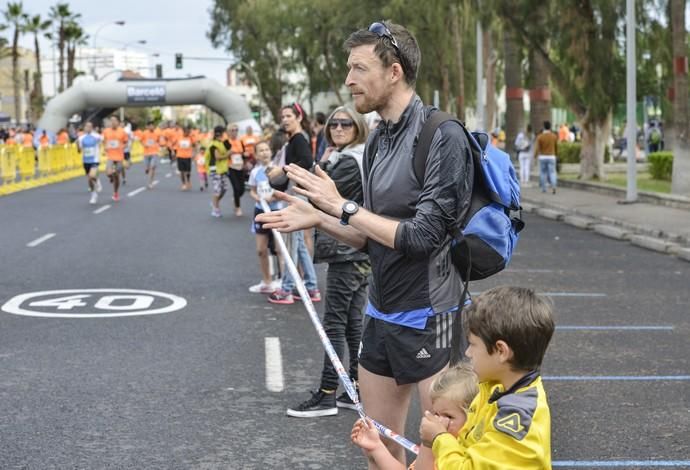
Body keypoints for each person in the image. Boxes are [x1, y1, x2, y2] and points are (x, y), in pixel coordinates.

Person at [257, 21, 473, 468]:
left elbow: (422, 237)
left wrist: (343, 206)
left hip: (431, 314)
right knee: (377, 446)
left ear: (394, 72)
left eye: (359, 68)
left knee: (443, 453)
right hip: (381, 310)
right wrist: (319, 216)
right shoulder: (377, 139)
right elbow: (369, 237)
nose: (348, 80)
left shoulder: (442, 135)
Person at [286, 106, 370, 418]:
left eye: (345, 123)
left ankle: (326, 394)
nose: (337, 128)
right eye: (333, 123)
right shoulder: (350, 156)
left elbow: (317, 196)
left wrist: (299, 175)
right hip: (356, 251)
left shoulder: (349, 160)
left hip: (348, 252)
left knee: (335, 324)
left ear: (358, 127)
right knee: (351, 323)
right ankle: (356, 389)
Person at [420, 286, 555, 469]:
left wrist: (439, 439)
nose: (468, 352)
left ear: (501, 351)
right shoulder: (496, 386)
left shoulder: (515, 418)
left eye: (473, 345)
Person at [352, 363, 478, 470]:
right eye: (436, 414)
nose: (439, 421)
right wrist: (376, 447)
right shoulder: (437, 441)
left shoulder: (477, 454)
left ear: (476, 415)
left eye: (449, 416)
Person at [266, 103, 321, 305]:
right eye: (283, 116)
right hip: (296, 194)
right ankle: (311, 286)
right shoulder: (296, 138)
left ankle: (287, 289)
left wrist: (283, 171)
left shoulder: (299, 139)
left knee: (292, 244)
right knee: (297, 244)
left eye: (289, 115)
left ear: (299, 117)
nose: (285, 119)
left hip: (297, 196)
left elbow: (307, 161)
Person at [248, 141, 283, 294]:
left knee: (279, 249)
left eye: (266, 149)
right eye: (260, 150)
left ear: (271, 152)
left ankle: (282, 281)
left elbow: (284, 190)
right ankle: (266, 281)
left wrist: (274, 197)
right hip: (261, 212)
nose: (264, 153)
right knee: (261, 250)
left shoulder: (278, 169)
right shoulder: (255, 172)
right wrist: (256, 197)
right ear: (256, 155)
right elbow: (252, 190)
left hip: (277, 212)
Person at [102, 115, 129, 202]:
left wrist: (122, 146)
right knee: (108, 173)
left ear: (118, 122)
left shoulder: (122, 132)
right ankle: (111, 177)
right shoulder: (106, 131)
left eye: (114, 120)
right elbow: (104, 141)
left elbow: (126, 143)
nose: (113, 122)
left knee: (117, 176)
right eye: (111, 120)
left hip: (119, 157)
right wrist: (105, 147)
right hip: (110, 156)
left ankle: (115, 192)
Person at [77, 121, 103, 205]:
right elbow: (79, 150)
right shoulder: (81, 138)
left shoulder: (96, 136)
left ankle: (94, 194)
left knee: (91, 177)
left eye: (89, 126)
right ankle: (95, 190)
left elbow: (104, 141)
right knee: (90, 179)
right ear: (84, 128)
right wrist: (78, 146)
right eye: (86, 126)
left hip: (94, 159)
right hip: (86, 160)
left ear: (92, 128)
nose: (88, 128)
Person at [223, 124, 246, 216]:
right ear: (228, 132)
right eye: (232, 130)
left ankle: (236, 198)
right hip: (231, 167)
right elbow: (222, 155)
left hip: (240, 167)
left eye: (236, 130)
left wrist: (245, 157)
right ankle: (238, 208)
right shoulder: (226, 142)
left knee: (242, 189)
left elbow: (243, 154)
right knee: (236, 188)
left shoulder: (240, 141)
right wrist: (229, 153)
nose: (234, 132)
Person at [207, 125, 230, 218]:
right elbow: (217, 157)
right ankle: (215, 209)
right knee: (217, 190)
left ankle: (214, 203)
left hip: (222, 170)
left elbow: (229, 147)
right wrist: (228, 154)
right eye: (224, 132)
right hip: (215, 170)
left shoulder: (222, 142)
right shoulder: (213, 144)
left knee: (224, 189)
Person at [534, 120, 558, 194]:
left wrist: (535, 156)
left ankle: (544, 188)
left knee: (543, 172)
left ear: (544, 127)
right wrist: (556, 154)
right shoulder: (554, 136)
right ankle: (553, 186)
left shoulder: (540, 137)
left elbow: (537, 148)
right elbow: (556, 147)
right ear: (550, 127)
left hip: (542, 157)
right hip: (552, 156)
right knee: (552, 172)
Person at [141, 121, 161, 189]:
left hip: (154, 152)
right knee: (147, 168)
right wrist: (144, 144)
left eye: (153, 126)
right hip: (146, 153)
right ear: (148, 126)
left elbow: (159, 140)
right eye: (150, 126)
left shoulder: (157, 133)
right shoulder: (144, 133)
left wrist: (158, 146)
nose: (152, 127)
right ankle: (147, 169)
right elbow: (141, 140)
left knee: (152, 167)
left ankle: (150, 183)